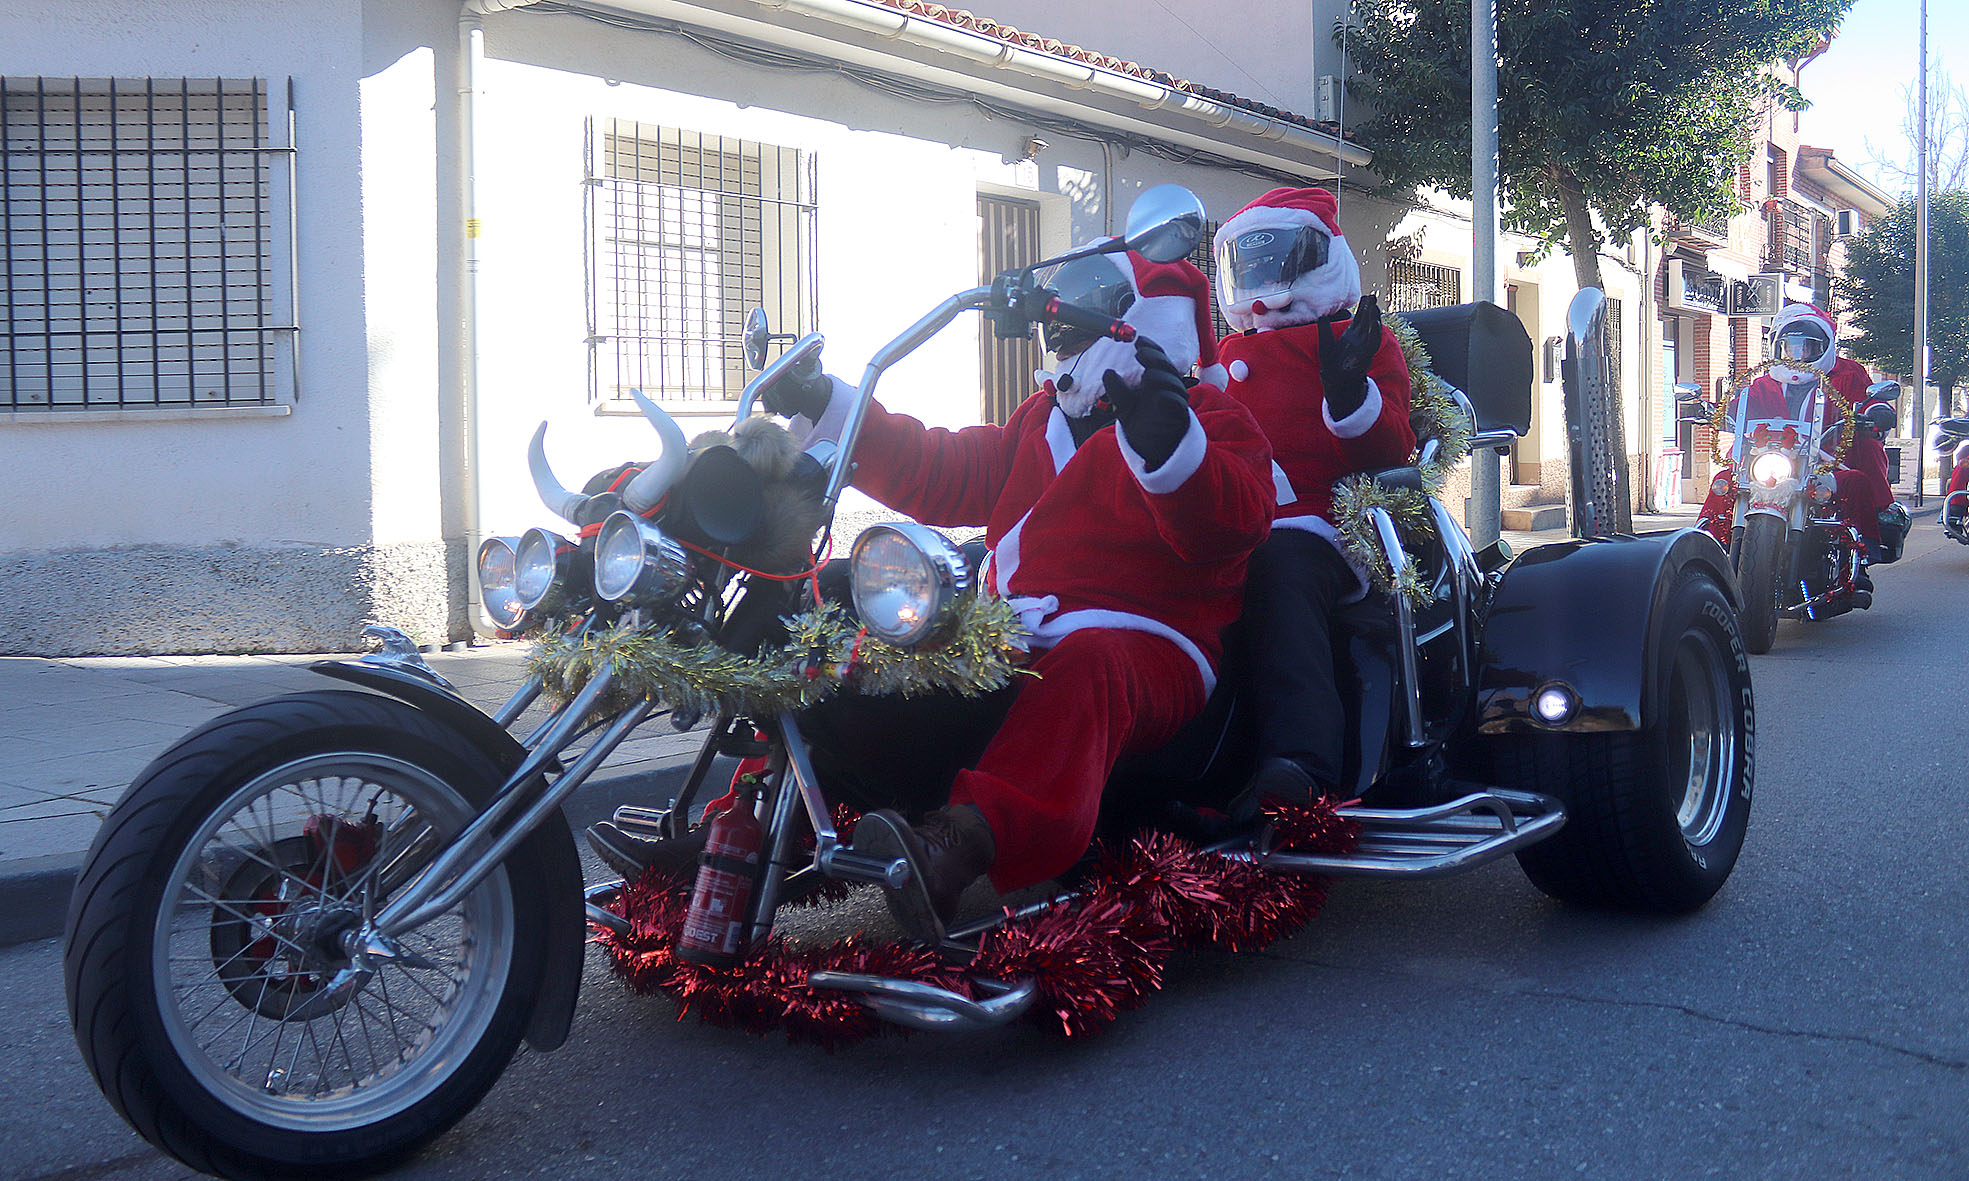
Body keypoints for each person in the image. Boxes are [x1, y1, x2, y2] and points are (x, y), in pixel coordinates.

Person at [592, 245, 1275, 945]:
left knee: (1088, 665)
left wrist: (1170, 447)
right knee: (845, 630)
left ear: (1140, 321)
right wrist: (823, 402)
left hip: (1148, 642)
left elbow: (1234, 523)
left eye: (1081, 307)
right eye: (1058, 311)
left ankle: (960, 845)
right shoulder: (1039, 422)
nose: (1061, 327)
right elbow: (939, 467)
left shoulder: (1213, 418)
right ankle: (740, 833)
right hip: (1009, 630)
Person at [1206, 186, 1416, 813]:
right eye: (1251, 265)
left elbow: (1392, 448)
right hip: (1227, 515)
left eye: (1278, 261)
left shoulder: (1361, 339)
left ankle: (1301, 764)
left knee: (1276, 567)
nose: (1264, 281)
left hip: (1322, 518)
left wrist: (1349, 394)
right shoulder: (1222, 355)